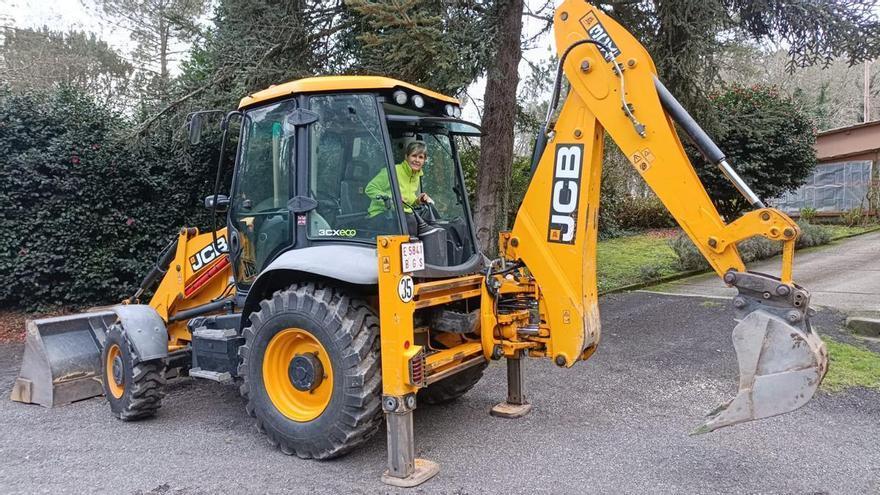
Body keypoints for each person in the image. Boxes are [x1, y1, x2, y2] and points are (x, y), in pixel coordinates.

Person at [364, 141, 433, 235]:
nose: (417, 160)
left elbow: (406, 201)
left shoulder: (415, 176)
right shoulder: (393, 171)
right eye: (414, 156)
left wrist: (417, 201)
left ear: (424, 160)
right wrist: (391, 198)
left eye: (420, 157)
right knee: (410, 221)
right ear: (406, 157)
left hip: (400, 215)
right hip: (381, 214)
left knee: (430, 221)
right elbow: (370, 188)